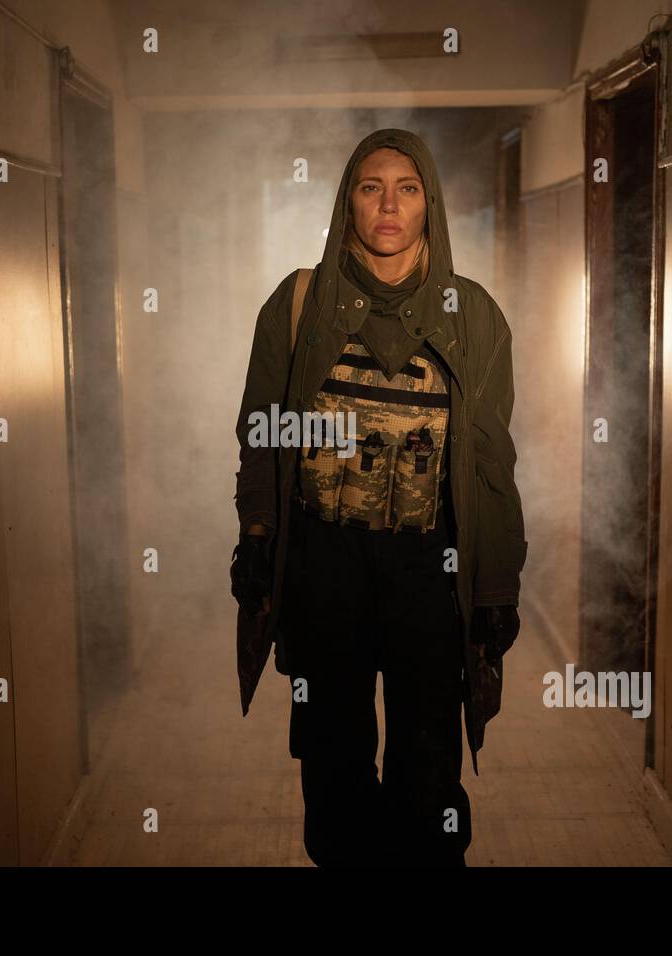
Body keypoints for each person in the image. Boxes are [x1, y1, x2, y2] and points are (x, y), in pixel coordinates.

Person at [230, 128, 527, 867]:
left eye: (407, 187)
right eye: (370, 186)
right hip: (324, 562)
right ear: (347, 201)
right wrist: (260, 536)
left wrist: (494, 585)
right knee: (333, 765)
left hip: (431, 566)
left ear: (430, 203)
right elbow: (265, 433)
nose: (388, 204)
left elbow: (491, 462)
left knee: (428, 771)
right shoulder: (297, 305)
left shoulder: (473, 315)